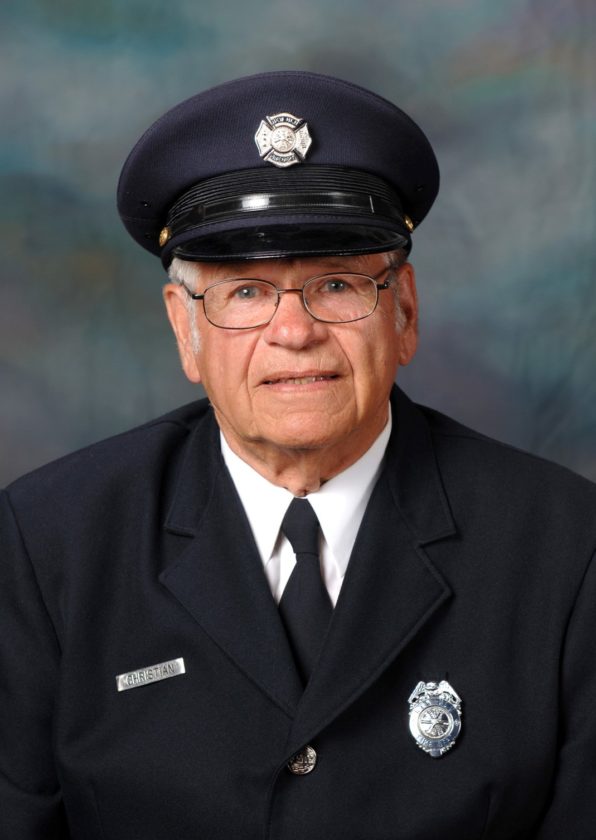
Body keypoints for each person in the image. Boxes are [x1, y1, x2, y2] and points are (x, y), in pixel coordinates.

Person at [1, 70, 595, 840]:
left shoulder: (566, 549)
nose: (294, 332)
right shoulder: (49, 545)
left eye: (337, 284)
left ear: (404, 312)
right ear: (186, 329)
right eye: (246, 292)